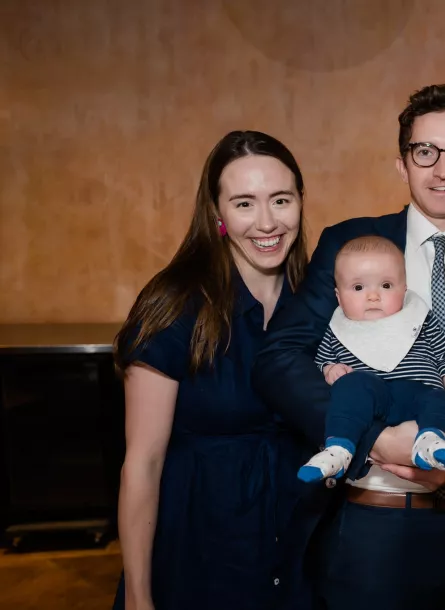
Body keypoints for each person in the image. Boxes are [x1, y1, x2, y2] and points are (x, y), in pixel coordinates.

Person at [112, 130, 328, 610]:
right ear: (217, 214)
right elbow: (142, 466)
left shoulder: (321, 302)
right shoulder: (173, 305)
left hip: (297, 563)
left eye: (280, 199)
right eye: (245, 203)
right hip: (197, 561)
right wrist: (139, 598)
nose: (267, 222)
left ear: (299, 203)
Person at [252, 84, 445, 609]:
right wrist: (376, 437)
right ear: (402, 163)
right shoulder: (350, 242)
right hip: (375, 520)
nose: (441, 170)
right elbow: (279, 360)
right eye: (426, 151)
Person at [297, 236, 445, 483]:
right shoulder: (338, 328)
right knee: (350, 388)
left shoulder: (420, 318)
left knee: (438, 398)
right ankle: (339, 448)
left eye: (386, 286)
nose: (373, 296)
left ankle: (430, 439)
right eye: (358, 288)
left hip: (417, 394)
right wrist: (330, 369)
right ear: (338, 296)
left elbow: (442, 355)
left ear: (404, 289)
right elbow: (322, 360)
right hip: (371, 400)